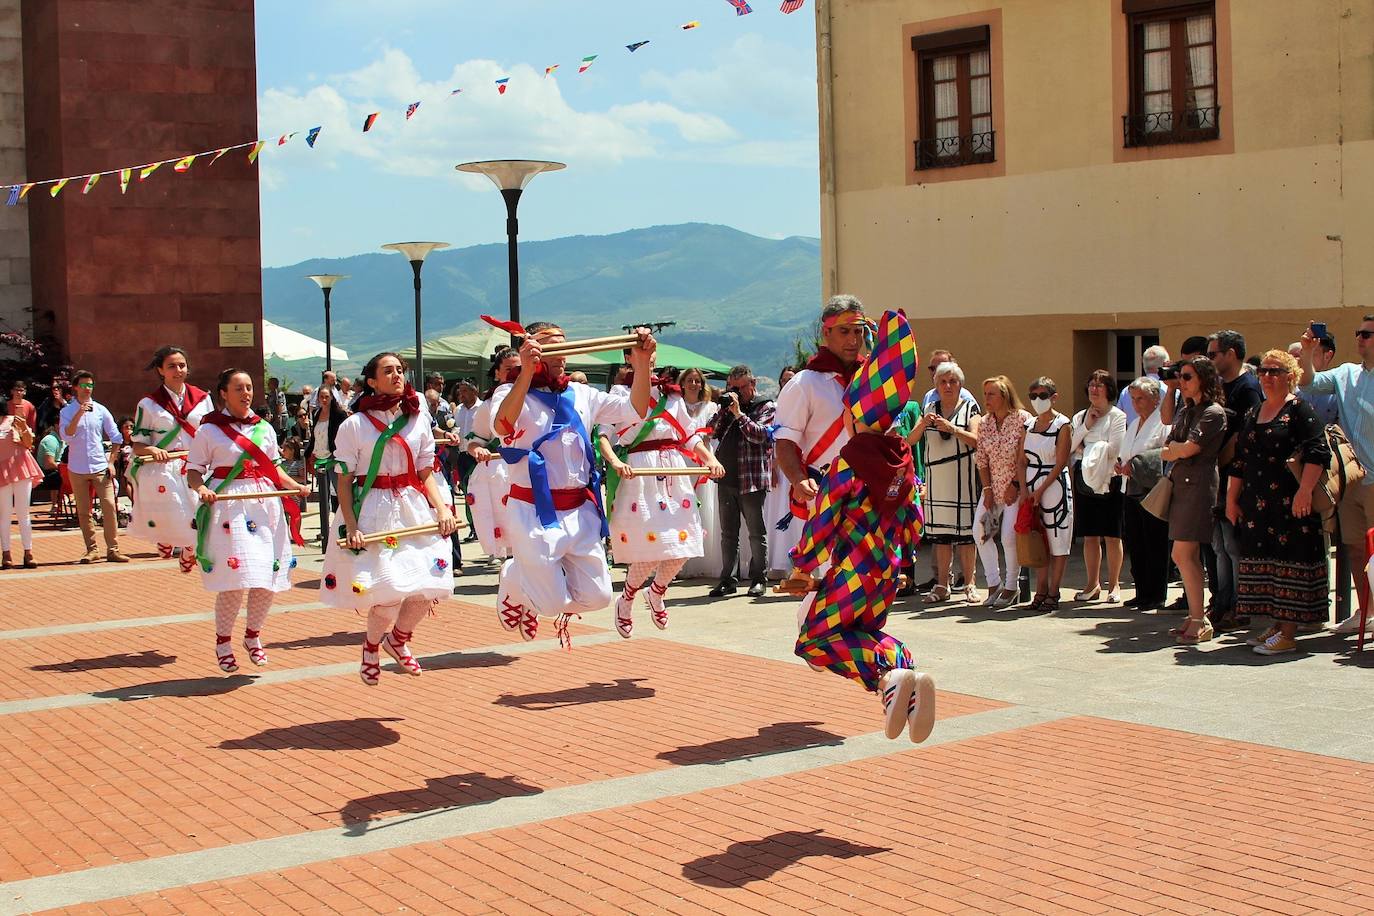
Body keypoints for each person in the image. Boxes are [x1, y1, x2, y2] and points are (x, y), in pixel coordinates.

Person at [779, 309, 935, 744]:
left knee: (814, 640)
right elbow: (914, 522)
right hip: (886, 571)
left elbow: (823, 522)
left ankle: (889, 683)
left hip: (851, 567)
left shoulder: (849, 461)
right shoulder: (902, 458)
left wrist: (803, 566)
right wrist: (901, 559)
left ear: (854, 413)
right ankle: (904, 674)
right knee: (863, 632)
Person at [488, 318, 656, 648]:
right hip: (533, 510)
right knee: (550, 604)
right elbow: (502, 425)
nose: (562, 354)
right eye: (553, 346)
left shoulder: (582, 393)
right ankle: (515, 578)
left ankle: (521, 578)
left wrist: (640, 364)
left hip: (580, 511)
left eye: (565, 345)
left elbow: (636, 409)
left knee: (598, 597)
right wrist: (525, 371)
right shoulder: (510, 391)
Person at [322, 353, 458, 685]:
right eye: (388, 371)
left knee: (429, 583)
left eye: (399, 370)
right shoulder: (355, 424)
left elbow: (425, 471)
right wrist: (351, 526)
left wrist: (442, 509)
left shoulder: (417, 420)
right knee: (389, 588)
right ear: (371, 381)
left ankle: (397, 639)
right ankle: (371, 648)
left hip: (412, 507)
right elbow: (344, 479)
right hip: (373, 510)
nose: (396, 375)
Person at [187, 368, 310, 672]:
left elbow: (273, 468)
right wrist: (201, 488)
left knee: (266, 577)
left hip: (264, 504)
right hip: (229, 508)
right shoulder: (209, 430)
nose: (246, 394)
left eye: (249, 388)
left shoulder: (264, 428)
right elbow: (193, 471)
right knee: (236, 579)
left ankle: (253, 636)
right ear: (223, 394)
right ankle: (223, 642)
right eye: (238, 388)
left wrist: (293, 485)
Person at [601, 369, 724, 636]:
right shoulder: (620, 394)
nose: (650, 360)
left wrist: (710, 460)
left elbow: (690, 436)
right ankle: (627, 599)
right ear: (629, 359)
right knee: (653, 547)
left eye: (652, 356)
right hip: (639, 475)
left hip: (673, 473)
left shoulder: (671, 397)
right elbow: (603, 435)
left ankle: (656, 592)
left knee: (684, 543)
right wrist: (615, 462)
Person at [1225, 350, 1330, 656]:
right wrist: (1232, 499)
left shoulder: (1299, 410)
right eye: (1264, 372)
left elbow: (1317, 452)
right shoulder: (1254, 411)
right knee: (1265, 563)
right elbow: (1240, 459)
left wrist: (1305, 491)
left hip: (1291, 504)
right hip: (1258, 506)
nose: (1268, 378)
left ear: (1290, 376)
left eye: (1275, 372)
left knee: (1290, 560)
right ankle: (1276, 624)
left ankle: (1288, 632)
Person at [774, 296, 869, 625]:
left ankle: (811, 633)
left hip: (866, 492)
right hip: (823, 492)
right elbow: (785, 440)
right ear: (825, 333)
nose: (853, 339)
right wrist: (798, 479)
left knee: (857, 576)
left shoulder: (871, 381)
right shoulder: (804, 384)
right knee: (836, 571)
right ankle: (825, 639)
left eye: (858, 331)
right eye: (844, 331)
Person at [1300, 316, 1374, 635]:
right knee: (1356, 549)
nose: (1360, 338)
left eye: (1367, 334)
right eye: (1358, 332)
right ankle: (1366, 611)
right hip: (1352, 480)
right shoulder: (1346, 373)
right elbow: (1309, 383)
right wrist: (1306, 351)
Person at [127, 346, 213, 570]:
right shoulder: (148, 404)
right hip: (164, 467)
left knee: (199, 510)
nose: (178, 370)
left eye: (182, 365)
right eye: (172, 366)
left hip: (195, 465)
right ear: (160, 370)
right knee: (176, 509)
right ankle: (165, 537)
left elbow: (211, 433)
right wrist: (153, 451)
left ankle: (190, 548)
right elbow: (137, 443)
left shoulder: (203, 399)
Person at [1162, 356, 1228, 644]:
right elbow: (1168, 445)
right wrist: (1175, 449)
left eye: (1187, 377)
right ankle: (1194, 615)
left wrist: (1176, 449)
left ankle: (1200, 619)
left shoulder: (1213, 412)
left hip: (1198, 486)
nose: (1182, 382)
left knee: (1184, 554)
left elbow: (1188, 448)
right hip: (1181, 485)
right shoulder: (1186, 410)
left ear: (1203, 378)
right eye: (1180, 377)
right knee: (1181, 554)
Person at [909, 362, 981, 603]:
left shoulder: (970, 408)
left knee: (965, 536)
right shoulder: (929, 408)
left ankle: (970, 583)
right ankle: (942, 585)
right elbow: (909, 441)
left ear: (961, 384)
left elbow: (977, 440)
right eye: (943, 382)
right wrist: (922, 423)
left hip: (962, 478)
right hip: (936, 479)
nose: (948, 386)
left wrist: (952, 429)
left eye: (953, 381)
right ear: (936, 385)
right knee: (940, 536)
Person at [1207, 330, 1263, 630]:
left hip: (1235, 477)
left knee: (1233, 545)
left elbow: (1243, 435)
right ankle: (1222, 601)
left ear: (1231, 354)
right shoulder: (1216, 386)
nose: (1210, 359)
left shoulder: (1249, 388)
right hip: (1215, 477)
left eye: (1214, 354)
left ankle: (1242, 605)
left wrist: (1218, 461)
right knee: (1218, 546)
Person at [708, 365, 775, 598]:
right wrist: (725, 411)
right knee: (728, 534)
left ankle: (759, 579)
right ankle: (728, 579)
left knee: (756, 533)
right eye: (732, 388)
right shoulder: (726, 408)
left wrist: (739, 414)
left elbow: (761, 436)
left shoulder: (766, 406)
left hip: (752, 479)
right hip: (727, 478)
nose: (735, 393)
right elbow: (711, 431)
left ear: (753, 384)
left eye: (740, 388)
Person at [1070, 370, 1128, 603]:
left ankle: (1114, 585)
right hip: (1085, 480)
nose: (1094, 389)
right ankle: (1092, 584)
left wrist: (1089, 449)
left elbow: (1114, 449)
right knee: (1090, 536)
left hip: (1109, 481)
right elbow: (1072, 446)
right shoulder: (1080, 416)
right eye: (1091, 385)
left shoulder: (1118, 416)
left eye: (1099, 385)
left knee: (1112, 536)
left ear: (1109, 390)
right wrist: (1086, 425)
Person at [59, 370, 127, 564]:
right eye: (83, 385)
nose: (87, 389)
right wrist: (79, 413)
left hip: (99, 466)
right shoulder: (67, 411)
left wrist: (111, 461)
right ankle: (92, 549)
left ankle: (113, 549)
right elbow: (66, 435)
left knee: (109, 507)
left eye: (90, 385)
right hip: (77, 467)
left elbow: (116, 437)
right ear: (75, 388)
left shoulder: (100, 410)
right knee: (83, 511)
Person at [974, 375, 1030, 609]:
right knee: (980, 531)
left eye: (991, 394)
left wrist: (1015, 484)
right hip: (993, 487)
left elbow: (1025, 455)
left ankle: (1011, 586)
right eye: (985, 393)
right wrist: (987, 490)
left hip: (1015, 488)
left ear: (1005, 396)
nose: (986, 398)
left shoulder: (1022, 419)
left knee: (1008, 536)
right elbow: (982, 460)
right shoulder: (985, 423)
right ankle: (993, 583)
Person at [1117, 377, 1170, 611]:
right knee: (1135, 541)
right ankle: (1141, 591)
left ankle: (1156, 593)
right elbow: (1124, 452)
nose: (1137, 404)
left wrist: (1136, 464)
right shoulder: (1134, 423)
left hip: (1151, 489)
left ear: (1155, 399)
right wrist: (1121, 465)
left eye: (1141, 399)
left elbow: (1163, 453)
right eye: (1134, 399)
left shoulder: (1163, 423)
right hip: (1130, 488)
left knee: (1154, 542)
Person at [1021, 377, 1073, 612]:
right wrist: (1024, 490)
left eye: (1042, 396)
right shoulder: (1028, 425)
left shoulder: (1062, 424)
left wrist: (1041, 490)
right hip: (1031, 482)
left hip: (1054, 485)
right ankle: (1040, 590)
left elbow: (1061, 461)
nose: (1037, 401)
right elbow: (1020, 460)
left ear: (1053, 397)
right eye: (1033, 396)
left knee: (1057, 537)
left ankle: (1054, 590)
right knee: (1038, 538)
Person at [678, 368, 722, 579]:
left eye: (697, 380)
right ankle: (680, 562)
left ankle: (704, 560)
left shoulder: (710, 406)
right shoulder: (675, 405)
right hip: (680, 460)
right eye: (689, 380)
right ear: (683, 383)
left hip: (703, 459)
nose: (693, 384)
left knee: (704, 505)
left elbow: (711, 433)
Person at [0, 404, 42, 569]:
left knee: (23, 512)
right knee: (4, 514)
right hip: (1, 471)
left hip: (20, 467)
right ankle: (6, 553)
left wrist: (23, 425)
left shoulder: (13, 421)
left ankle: (28, 552)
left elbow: (28, 442)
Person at [311, 382, 349, 546]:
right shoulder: (317, 413)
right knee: (323, 496)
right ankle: (325, 530)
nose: (324, 400)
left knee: (340, 493)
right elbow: (315, 436)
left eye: (327, 397)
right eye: (321, 397)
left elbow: (342, 436)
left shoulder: (339, 414)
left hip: (333, 459)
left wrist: (336, 455)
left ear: (332, 398)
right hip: (319, 458)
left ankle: (344, 525)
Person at [1116, 345, 1169, 424]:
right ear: (1165, 364)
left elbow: (1119, 419)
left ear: (1143, 364)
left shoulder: (1126, 391)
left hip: (1133, 434)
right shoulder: (1170, 390)